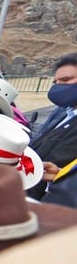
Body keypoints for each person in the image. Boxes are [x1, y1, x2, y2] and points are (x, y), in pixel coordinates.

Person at [30, 52, 77, 198]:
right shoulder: (62, 111)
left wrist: (60, 176)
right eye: (55, 82)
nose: (57, 87)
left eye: (65, 80)